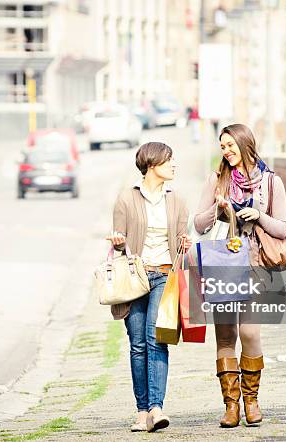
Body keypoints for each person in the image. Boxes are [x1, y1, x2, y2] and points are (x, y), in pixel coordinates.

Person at [193, 124, 286, 428]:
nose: (226, 152)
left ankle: (252, 399)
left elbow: (284, 229)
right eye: (222, 147)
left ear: (246, 144)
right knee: (225, 336)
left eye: (231, 145)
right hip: (222, 262)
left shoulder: (272, 183)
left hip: (255, 265)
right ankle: (231, 405)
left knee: (250, 333)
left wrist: (259, 215)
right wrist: (218, 209)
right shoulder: (217, 178)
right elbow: (198, 222)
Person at [106, 142, 191, 433]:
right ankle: (141, 411)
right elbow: (120, 242)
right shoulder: (126, 200)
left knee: (156, 338)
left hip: (164, 277)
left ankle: (157, 407)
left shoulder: (177, 200)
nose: (174, 165)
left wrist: (185, 243)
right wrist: (118, 242)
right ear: (152, 165)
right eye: (169, 161)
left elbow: (182, 239)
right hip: (135, 278)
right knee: (138, 344)